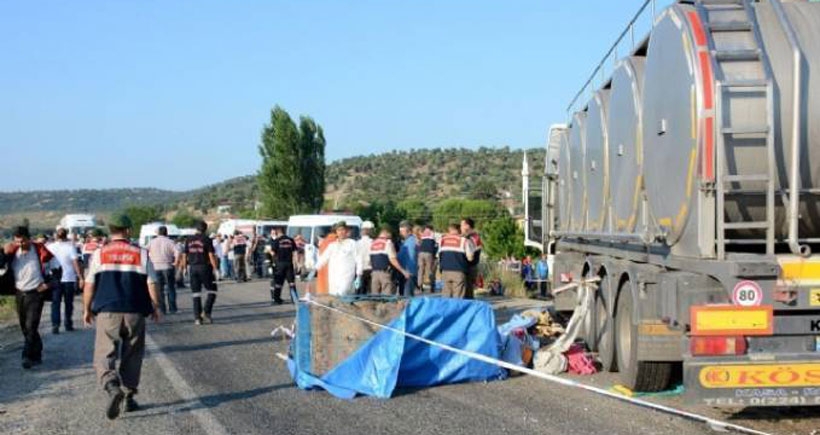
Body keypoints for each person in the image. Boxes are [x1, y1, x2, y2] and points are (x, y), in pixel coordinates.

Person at [82, 213, 161, 420]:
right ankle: (128, 397)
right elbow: (151, 283)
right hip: (135, 311)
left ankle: (111, 385)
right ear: (127, 230)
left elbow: (89, 284)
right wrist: (155, 306)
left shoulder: (99, 254)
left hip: (107, 311)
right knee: (132, 354)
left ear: (111, 230)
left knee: (104, 353)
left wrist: (86, 309)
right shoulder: (141, 253)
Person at [1, 225, 54, 369]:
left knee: (31, 325)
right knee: (25, 326)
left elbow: (56, 269)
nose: (20, 244)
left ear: (29, 239)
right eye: (17, 241)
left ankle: (26, 356)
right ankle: (37, 351)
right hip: (19, 292)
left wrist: (47, 285)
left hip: (36, 293)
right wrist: (4, 254)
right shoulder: (12, 252)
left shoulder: (40, 251)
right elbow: (1, 267)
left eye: (23, 241)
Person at [180, 221, 220, 325]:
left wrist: (184, 268)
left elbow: (184, 255)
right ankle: (206, 312)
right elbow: (211, 255)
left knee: (196, 294)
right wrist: (215, 269)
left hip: (192, 268)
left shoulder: (189, 240)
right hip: (205, 267)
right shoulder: (207, 239)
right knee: (212, 290)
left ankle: (197, 318)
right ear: (205, 229)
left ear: (196, 229)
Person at [47, 227, 84, 334]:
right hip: (69, 278)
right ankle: (68, 323)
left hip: (55, 277)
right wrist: (80, 277)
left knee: (55, 303)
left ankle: (55, 324)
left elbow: (46, 262)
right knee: (68, 303)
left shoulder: (50, 247)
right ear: (66, 235)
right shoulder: (70, 247)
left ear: (56, 235)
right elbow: (75, 263)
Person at [314, 221, 362, 296]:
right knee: (334, 297)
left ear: (346, 231)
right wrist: (315, 268)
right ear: (336, 232)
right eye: (339, 230)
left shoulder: (352, 244)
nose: (341, 232)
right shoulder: (332, 245)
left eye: (343, 230)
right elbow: (324, 258)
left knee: (342, 294)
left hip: (346, 277)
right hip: (333, 278)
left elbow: (359, 260)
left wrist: (359, 275)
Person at [438, 223, 476, 298]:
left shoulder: (442, 240)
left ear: (449, 230)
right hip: (459, 272)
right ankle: (456, 309)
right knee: (458, 297)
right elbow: (470, 257)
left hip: (445, 271)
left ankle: (447, 309)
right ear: (459, 231)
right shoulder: (464, 241)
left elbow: (439, 256)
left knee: (446, 295)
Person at [146, 226, 178, 314]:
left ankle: (162, 308)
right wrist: (175, 262)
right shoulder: (170, 242)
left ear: (158, 233)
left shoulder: (151, 242)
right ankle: (172, 308)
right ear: (166, 233)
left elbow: (145, 251)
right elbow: (178, 252)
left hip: (156, 267)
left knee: (160, 289)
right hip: (168, 266)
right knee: (171, 288)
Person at [369, 227, 409, 295]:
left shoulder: (372, 243)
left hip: (374, 273)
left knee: (374, 297)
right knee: (387, 297)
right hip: (385, 273)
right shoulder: (388, 242)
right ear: (387, 235)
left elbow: (370, 260)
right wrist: (403, 271)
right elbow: (393, 259)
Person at [266, 227, 297, 305]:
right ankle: (294, 298)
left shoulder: (277, 240)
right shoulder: (291, 240)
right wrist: (296, 263)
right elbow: (295, 252)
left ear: (278, 232)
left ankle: (277, 299)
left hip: (280, 263)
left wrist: (269, 252)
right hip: (289, 263)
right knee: (291, 282)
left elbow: (273, 252)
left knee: (278, 282)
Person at [460, 218, 483, 299]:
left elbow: (470, 255)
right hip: (472, 266)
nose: (460, 228)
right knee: (468, 291)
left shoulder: (471, 238)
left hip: (470, 267)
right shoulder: (475, 236)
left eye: (462, 225)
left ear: (467, 226)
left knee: (467, 292)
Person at [397, 221, 418, 297]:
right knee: (403, 294)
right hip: (403, 272)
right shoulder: (405, 242)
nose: (400, 233)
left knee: (407, 296)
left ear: (408, 231)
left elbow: (411, 258)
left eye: (402, 231)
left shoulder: (411, 242)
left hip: (408, 273)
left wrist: (408, 272)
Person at [356, 221, 374, 295]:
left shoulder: (357, 243)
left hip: (359, 270)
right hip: (370, 269)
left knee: (359, 291)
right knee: (369, 291)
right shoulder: (373, 242)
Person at [417, 224, 438, 293]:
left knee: (420, 270)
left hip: (420, 253)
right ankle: (432, 287)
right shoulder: (433, 234)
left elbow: (419, 243)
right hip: (429, 253)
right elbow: (437, 244)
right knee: (430, 270)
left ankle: (419, 285)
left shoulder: (422, 234)